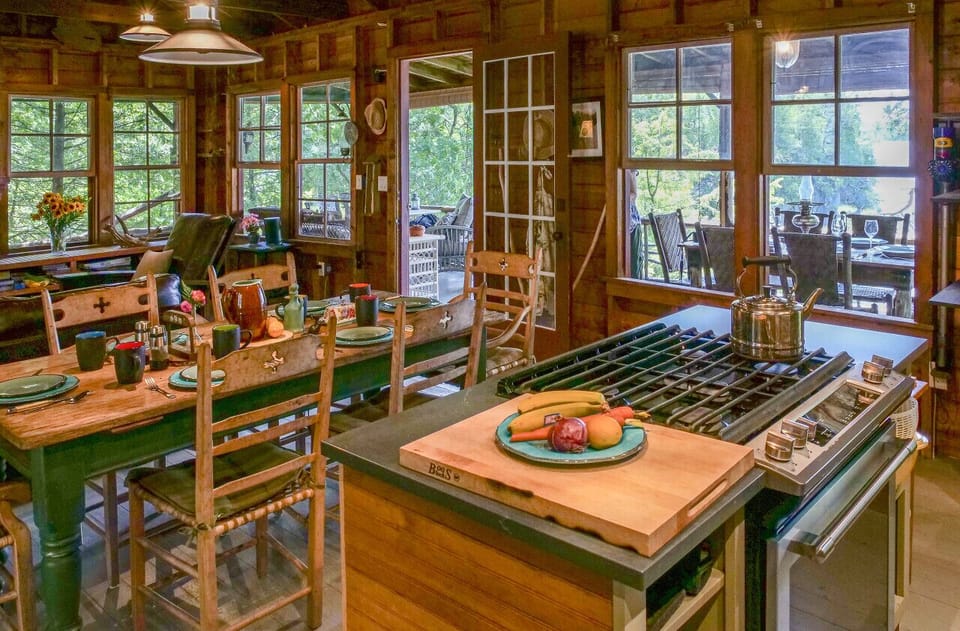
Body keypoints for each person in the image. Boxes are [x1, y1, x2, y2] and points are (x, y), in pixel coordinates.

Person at [626, 170, 642, 278]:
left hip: (632, 223)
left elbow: (634, 194)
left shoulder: (630, 170)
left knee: (634, 263)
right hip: (624, 224)